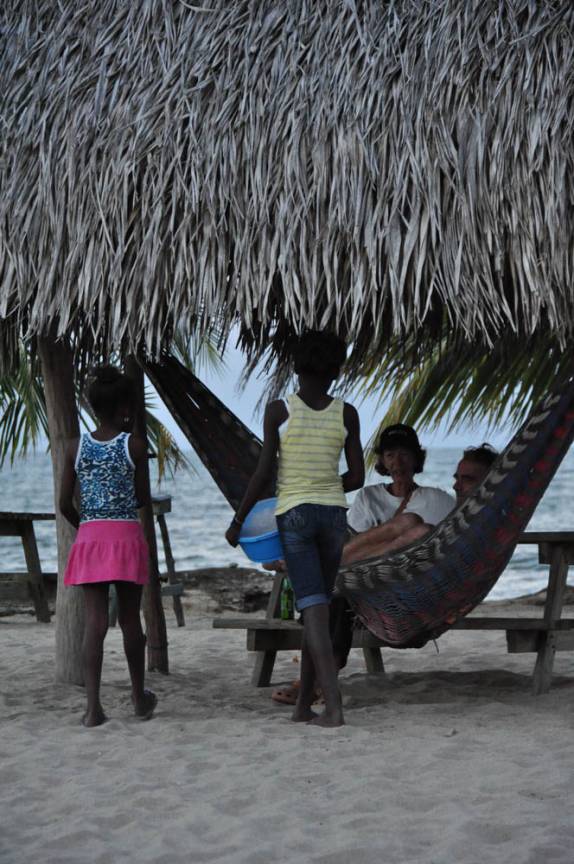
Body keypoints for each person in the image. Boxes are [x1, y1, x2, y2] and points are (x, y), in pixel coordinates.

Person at [271, 442, 499, 705]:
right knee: (410, 522)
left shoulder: (485, 517)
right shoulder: (458, 510)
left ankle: (316, 679)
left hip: (425, 599)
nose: (457, 485)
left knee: (417, 533)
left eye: (467, 479)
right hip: (390, 584)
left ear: (490, 483)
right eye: (456, 478)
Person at [225, 330, 364, 727]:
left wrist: (238, 521)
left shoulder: (279, 411)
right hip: (334, 516)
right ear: (337, 370)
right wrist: (324, 483)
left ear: (296, 368)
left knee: (314, 612)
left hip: (296, 516)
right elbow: (356, 476)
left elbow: (264, 472)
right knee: (315, 607)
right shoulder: (346, 412)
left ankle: (333, 707)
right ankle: (305, 704)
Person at [59, 366, 157, 727]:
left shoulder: (74, 447)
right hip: (125, 536)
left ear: (92, 405)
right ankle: (138, 698)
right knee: (131, 619)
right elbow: (142, 498)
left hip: (90, 536)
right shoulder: (134, 445)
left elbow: (64, 503)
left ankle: (93, 709)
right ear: (126, 408)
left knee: (95, 622)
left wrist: (87, 527)